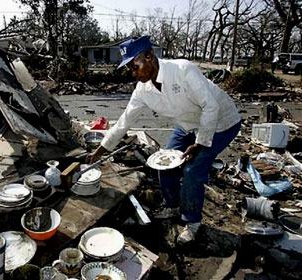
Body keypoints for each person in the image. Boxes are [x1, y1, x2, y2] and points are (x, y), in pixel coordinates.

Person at [86, 35, 241, 243]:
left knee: (192, 171)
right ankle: (173, 206)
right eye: (130, 69)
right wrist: (101, 150)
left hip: (220, 122)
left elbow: (210, 107)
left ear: (149, 57)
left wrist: (200, 142)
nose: (133, 73)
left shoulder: (183, 70)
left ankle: (192, 222)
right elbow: (124, 121)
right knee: (164, 164)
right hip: (187, 125)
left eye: (135, 66)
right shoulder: (143, 91)